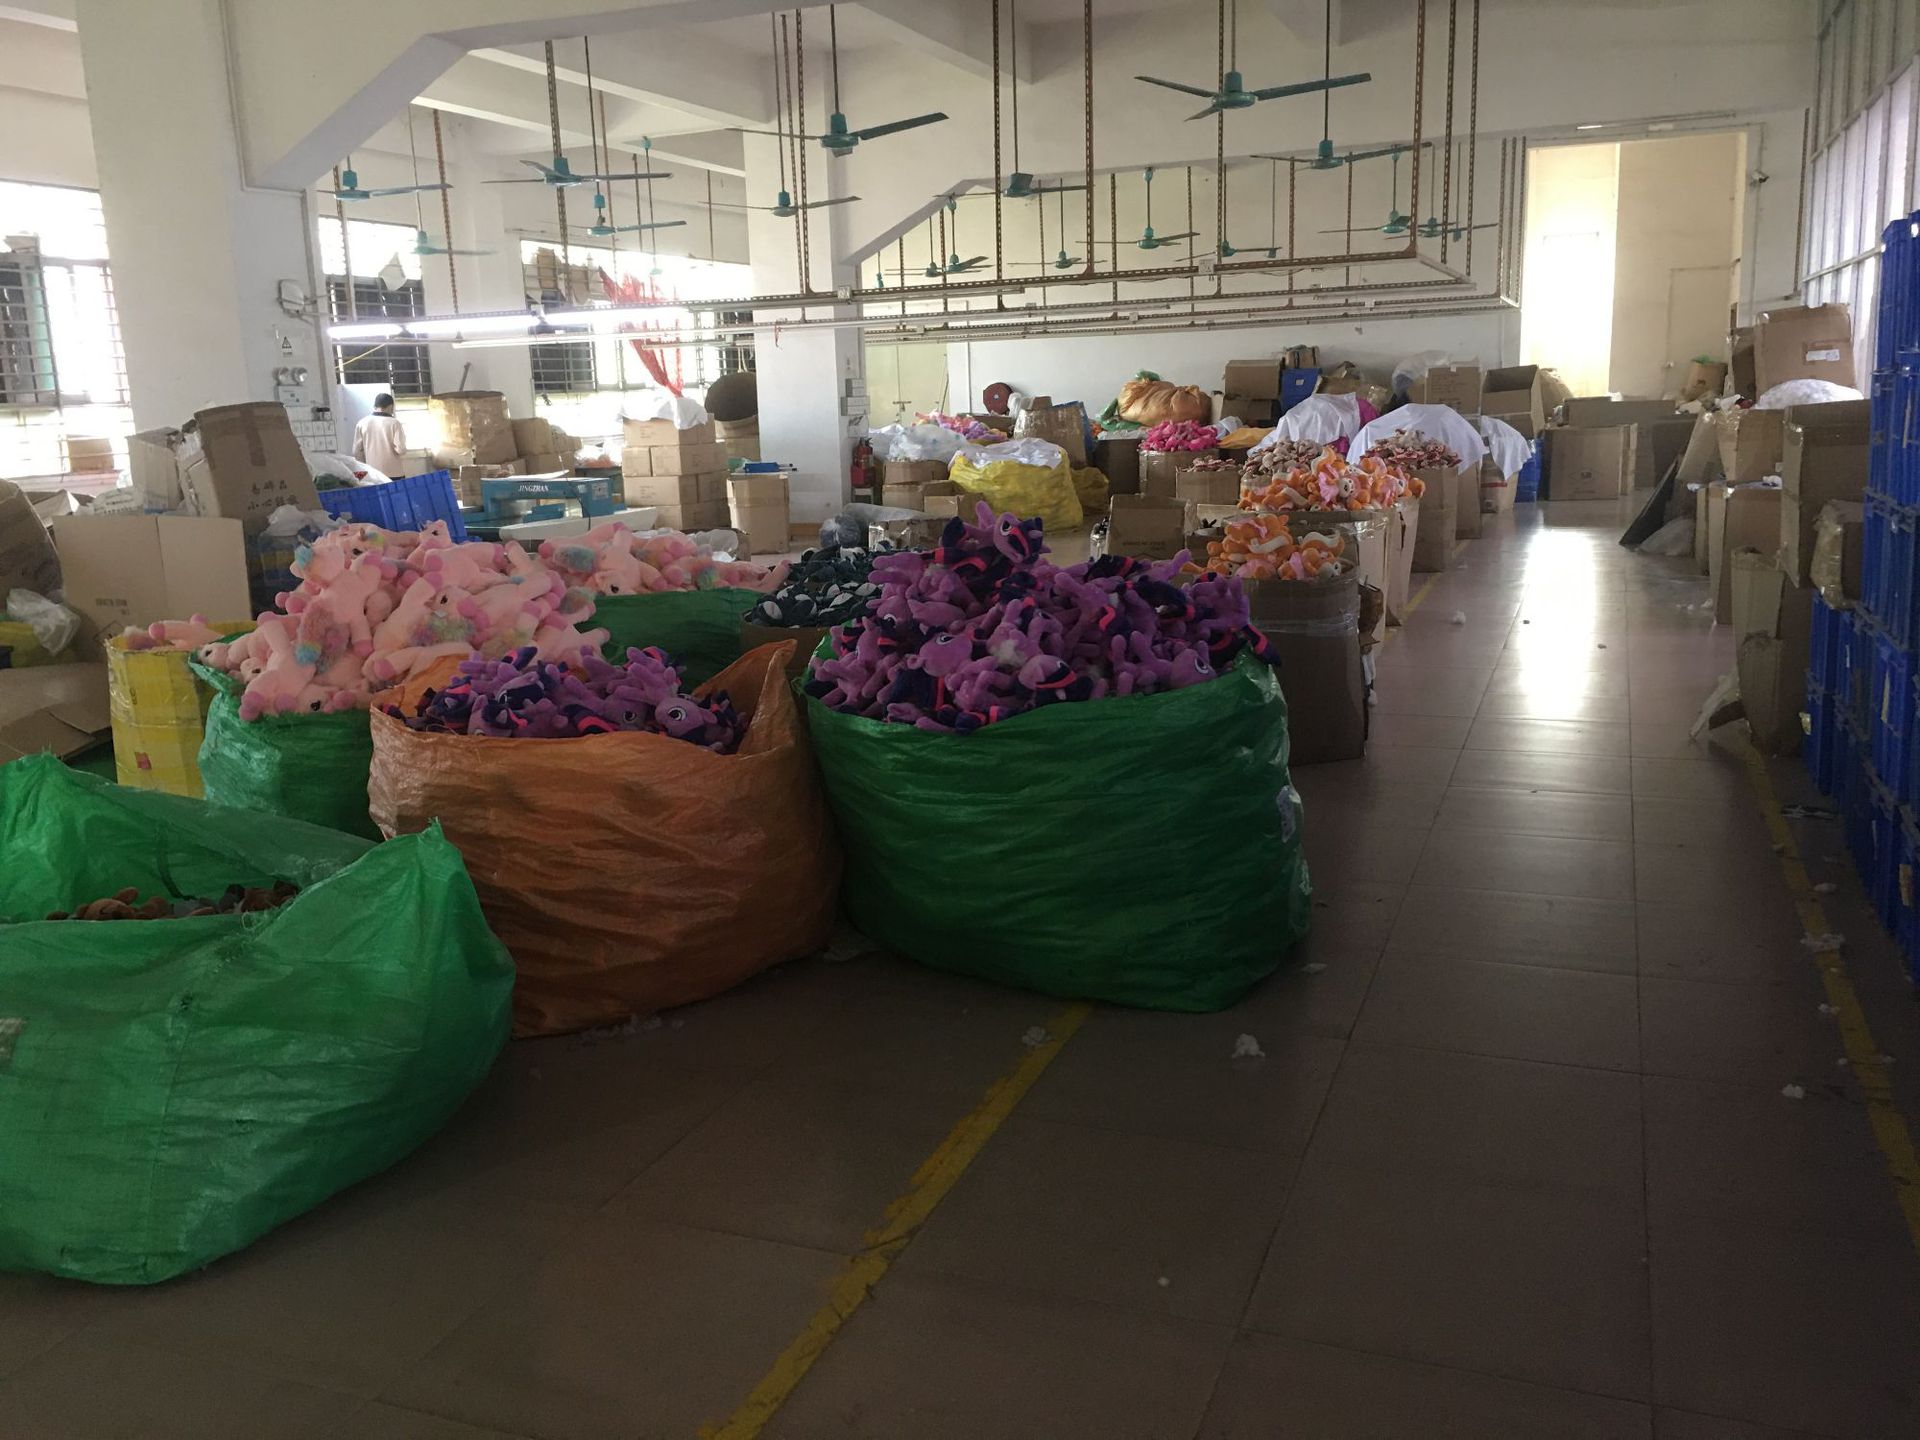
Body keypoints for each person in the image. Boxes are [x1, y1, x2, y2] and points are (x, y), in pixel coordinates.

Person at [352, 393, 409, 478]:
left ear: (375, 406)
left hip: (373, 474)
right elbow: (401, 450)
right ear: (391, 406)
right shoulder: (394, 423)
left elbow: (356, 452)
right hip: (394, 473)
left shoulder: (361, 423)